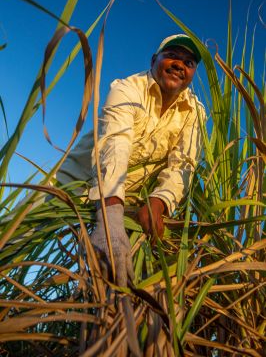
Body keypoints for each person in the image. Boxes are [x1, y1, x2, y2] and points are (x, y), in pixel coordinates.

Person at [57, 34, 206, 286]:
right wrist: (110, 218)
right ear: (153, 60)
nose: (180, 64)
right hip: (74, 184)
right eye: (172, 56)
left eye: (189, 62)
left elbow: (183, 163)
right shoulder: (126, 88)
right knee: (17, 233)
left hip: (134, 203)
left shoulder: (195, 112)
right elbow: (116, 145)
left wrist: (160, 201)